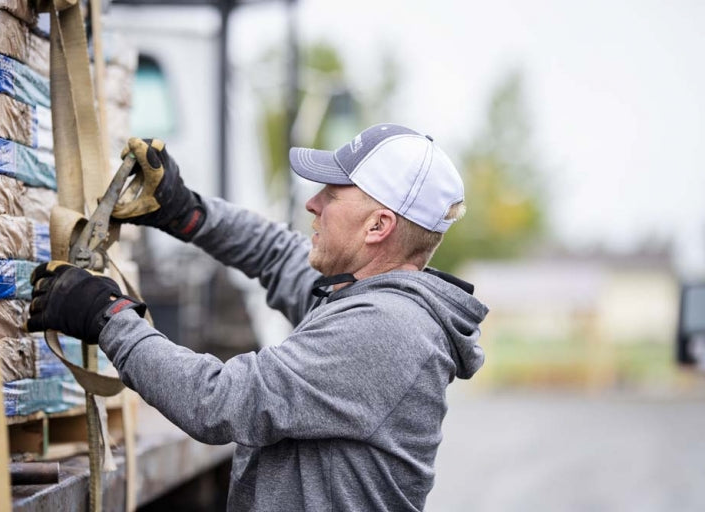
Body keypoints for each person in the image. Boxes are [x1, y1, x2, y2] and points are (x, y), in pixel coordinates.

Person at [27, 123, 489, 511]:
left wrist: (108, 317)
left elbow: (219, 401)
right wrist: (187, 212)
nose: (313, 203)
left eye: (332, 194)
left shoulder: (384, 329)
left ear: (377, 226)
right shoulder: (364, 293)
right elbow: (275, 252)